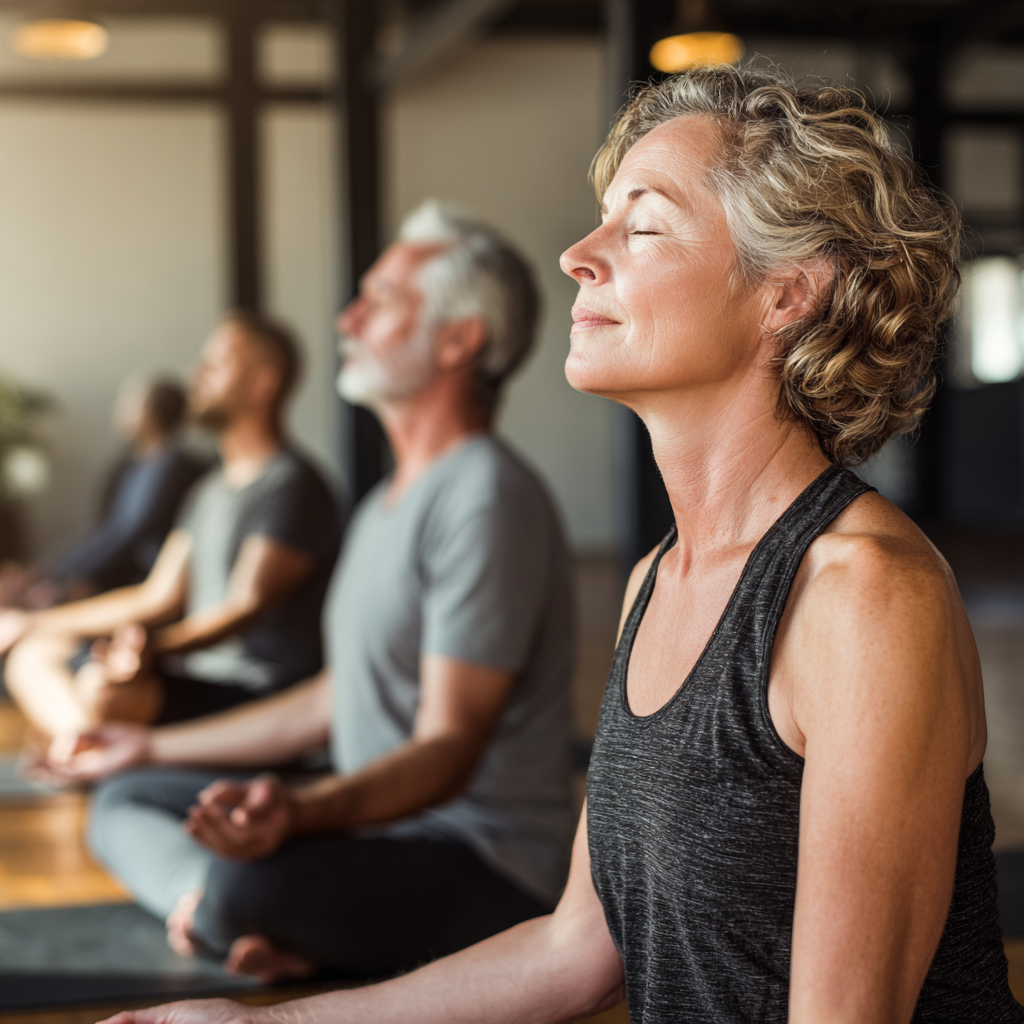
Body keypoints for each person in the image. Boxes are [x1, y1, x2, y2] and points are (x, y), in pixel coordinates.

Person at [87, 66, 1024, 1024]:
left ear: (786, 294)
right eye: (599, 219)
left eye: (644, 224)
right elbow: (575, 952)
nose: (578, 253)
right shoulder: (656, 580)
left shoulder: (866, 595)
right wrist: (260, 1023)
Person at [50, 201, 576, 985]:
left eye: (382, 301)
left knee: (244, 880)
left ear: (460, 339)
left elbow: (447, 750)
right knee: (125, 794)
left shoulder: (485, 497)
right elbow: (334, 698)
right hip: (372, 827)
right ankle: (227, 918)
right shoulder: (382, 504)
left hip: (477, 861)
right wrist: (151, 745)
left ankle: (225, 912)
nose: (348, 318)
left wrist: (299, 812)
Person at [1, 311, 340, 738]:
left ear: (262, 384)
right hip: (195, 675)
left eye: (217, 365)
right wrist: (33, 622)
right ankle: (92, 745)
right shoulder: (208, 491)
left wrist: (153, 650)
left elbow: (243, 606)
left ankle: (95, 744)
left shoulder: (290, 485)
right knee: (34, 654)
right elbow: (155, 597)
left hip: (258, 690)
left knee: (103, 691)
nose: (195, 374)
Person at [0, 376, 207, 610]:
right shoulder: (132, 466)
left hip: (138, 578)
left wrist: (60, 577)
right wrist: (49, 569)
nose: (119, 410)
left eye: (130, 403)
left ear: (152, 412)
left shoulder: (170, 466)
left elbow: (128, 534)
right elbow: (106, 529)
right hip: (112, 571)